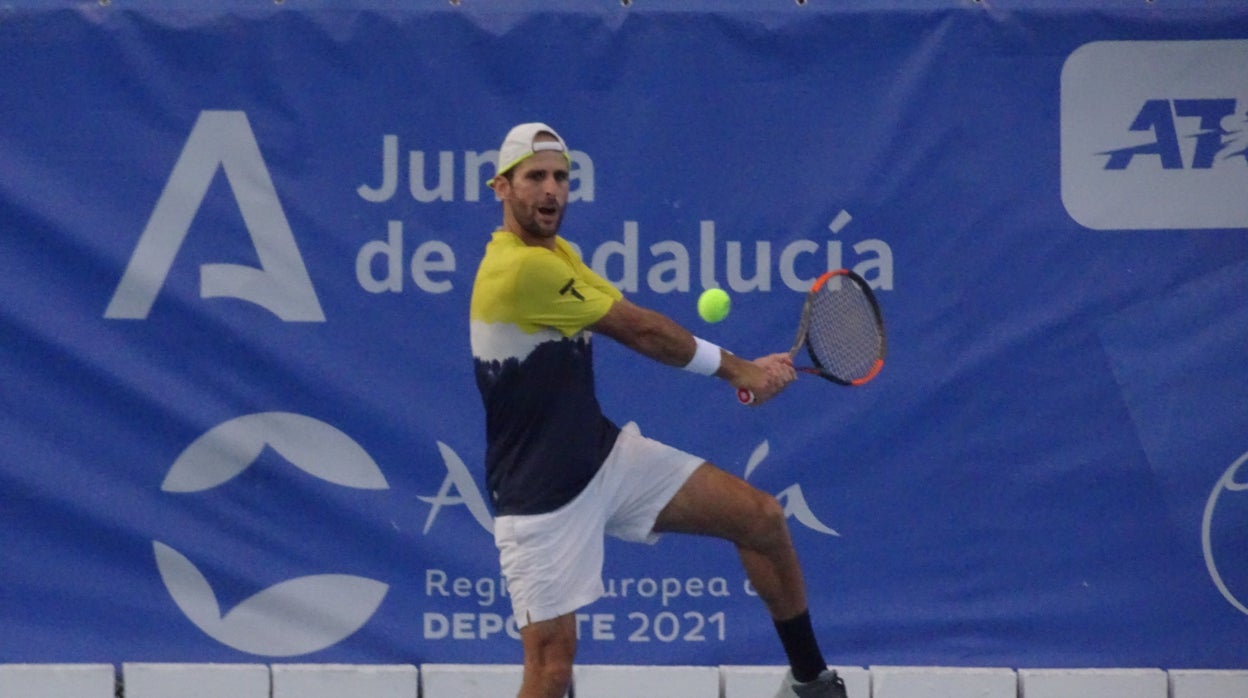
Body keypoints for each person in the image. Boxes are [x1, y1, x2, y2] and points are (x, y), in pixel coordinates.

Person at [469, 122, 847, 698]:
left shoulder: (558, 253)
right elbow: (642, 332)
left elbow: (630, 311)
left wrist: (745, 364)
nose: (551, 191)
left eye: (561, 178)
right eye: (535, 178)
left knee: (760, 519)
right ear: (502, 187)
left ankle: (810, 683)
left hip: (601, 457)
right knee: (549, 672)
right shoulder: (521, 268)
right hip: (539, 493)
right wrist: (739, 372)